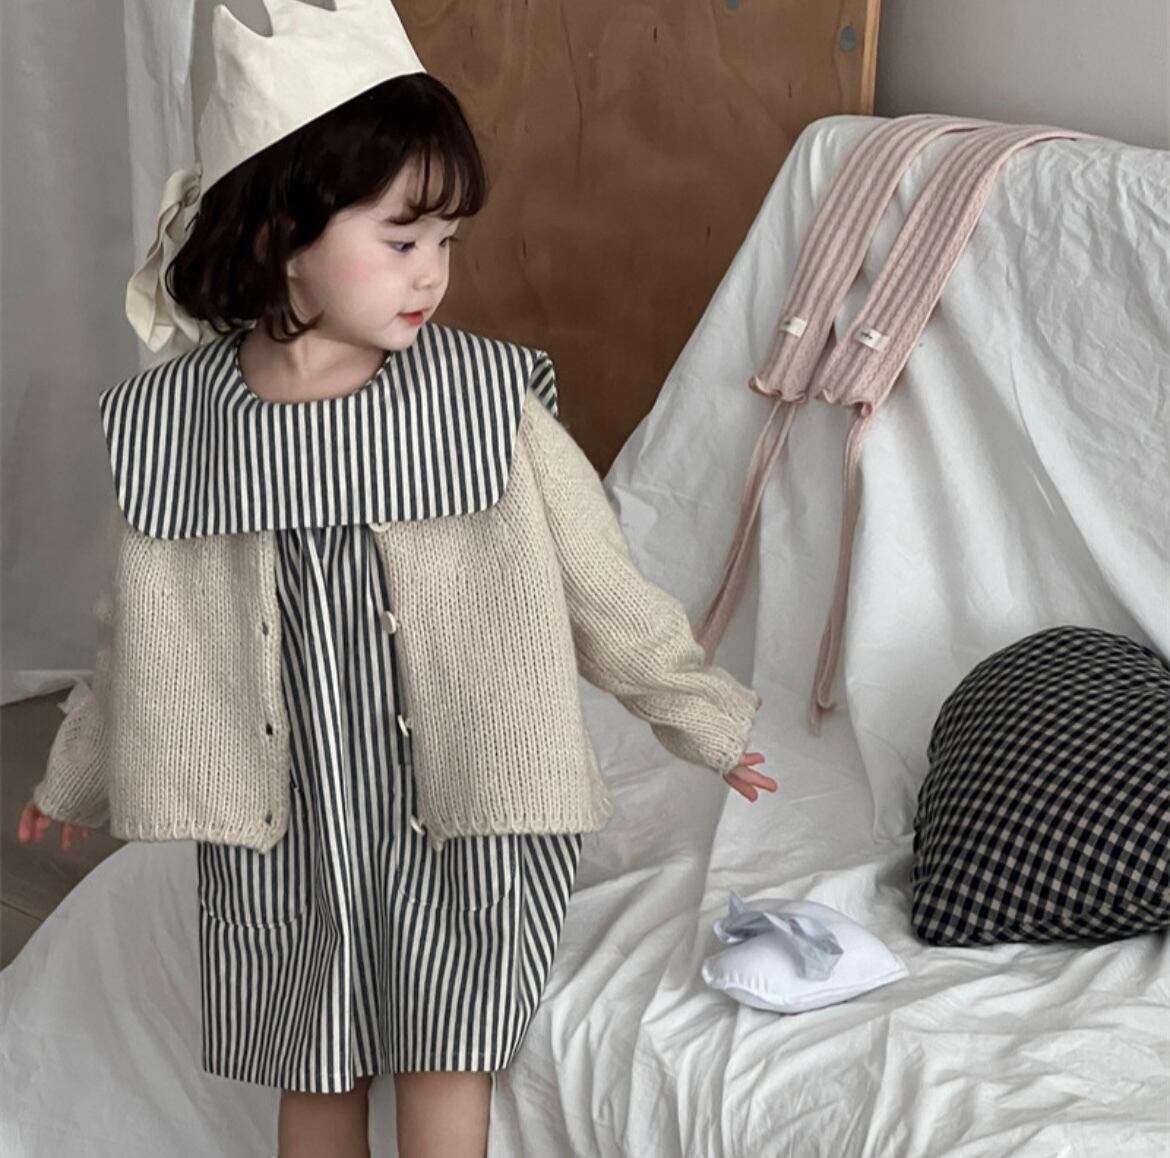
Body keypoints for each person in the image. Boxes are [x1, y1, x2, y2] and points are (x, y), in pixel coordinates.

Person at [18, 3, 775, 1156]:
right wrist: (77, 770)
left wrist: (702, 714)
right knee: (314, 1065)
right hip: (284, 826)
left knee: (443, 1059)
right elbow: (139, 633)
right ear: (282, 234)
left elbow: (601, 588)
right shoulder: (179, 427)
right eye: (403, 239)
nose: (434, 275)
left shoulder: (483, 404)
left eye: (448, 242)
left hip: (467, 812)